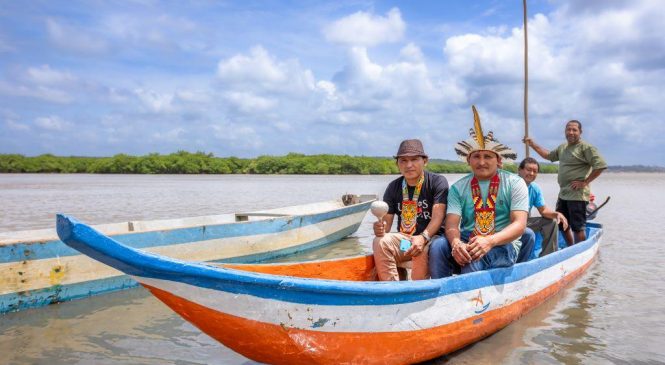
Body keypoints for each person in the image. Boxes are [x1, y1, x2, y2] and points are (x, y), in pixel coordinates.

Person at [429, 106, 530, 279]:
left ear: (498, 160)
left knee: (473, 259)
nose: (481, 162)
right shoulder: (458, 187)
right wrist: (456, 243)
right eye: (476, 156)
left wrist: (490, 241)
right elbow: (452, 224)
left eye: (488, 157)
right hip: (469, 237)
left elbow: (520, 225)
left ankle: (472, 301)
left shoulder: (515, 183)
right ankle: (439, 292)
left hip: (502, 241)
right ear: (469, 160)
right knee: (438, 246)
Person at [373, 139, 448, 281]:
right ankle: (392, 288)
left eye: (414, 159)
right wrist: (379, 228)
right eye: (403, 160)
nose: (409, 165)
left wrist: (423, 237)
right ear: (397, 164)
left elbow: (438, 217)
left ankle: (418, 294)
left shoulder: (437, 182)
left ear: (425, 161)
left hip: (431, 238)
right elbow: (386, 226)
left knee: (420, 250)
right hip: (406, 239)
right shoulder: (393, 187)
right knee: (380, 241)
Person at [524, 120, 607, 244]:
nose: (571, 132)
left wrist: (585, 182)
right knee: (563, 223)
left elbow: (600, 165)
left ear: (580, 132)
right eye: (568, 129)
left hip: (577, 195)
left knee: (578, 228)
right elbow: (549, 156)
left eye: (574, 130)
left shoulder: (586, 148)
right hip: (563, 193)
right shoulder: (563, 147)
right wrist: (532, 144)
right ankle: (570, 247)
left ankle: (580, 250)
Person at [517, 157, 569, 261]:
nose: (531, 173)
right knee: (528, 233)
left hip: (524, 222)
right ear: (520, 170)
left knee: (551, 222)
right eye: (528, 170)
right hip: (507, 223)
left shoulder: (534, 188)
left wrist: (557, 214)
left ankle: (548, 257)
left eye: (535, 171)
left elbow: (543, 211)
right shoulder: (511, 183)